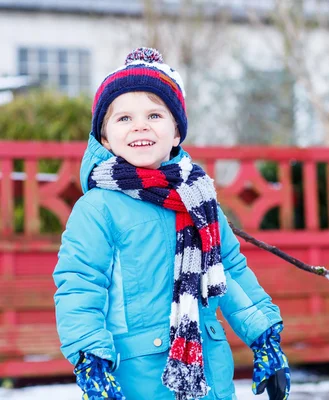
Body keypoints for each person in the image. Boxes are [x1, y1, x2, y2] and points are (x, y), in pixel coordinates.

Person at [53, 47, 290, 400]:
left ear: (176, 132)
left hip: (210, 373)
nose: (140, 126)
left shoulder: (200, 200)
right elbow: (80, 284)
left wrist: (263, 336)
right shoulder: (98, 208)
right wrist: (90, 356)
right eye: (123, 119)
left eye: (154, 114)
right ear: (104, 138)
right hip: (136, 378)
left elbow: (231, 271)